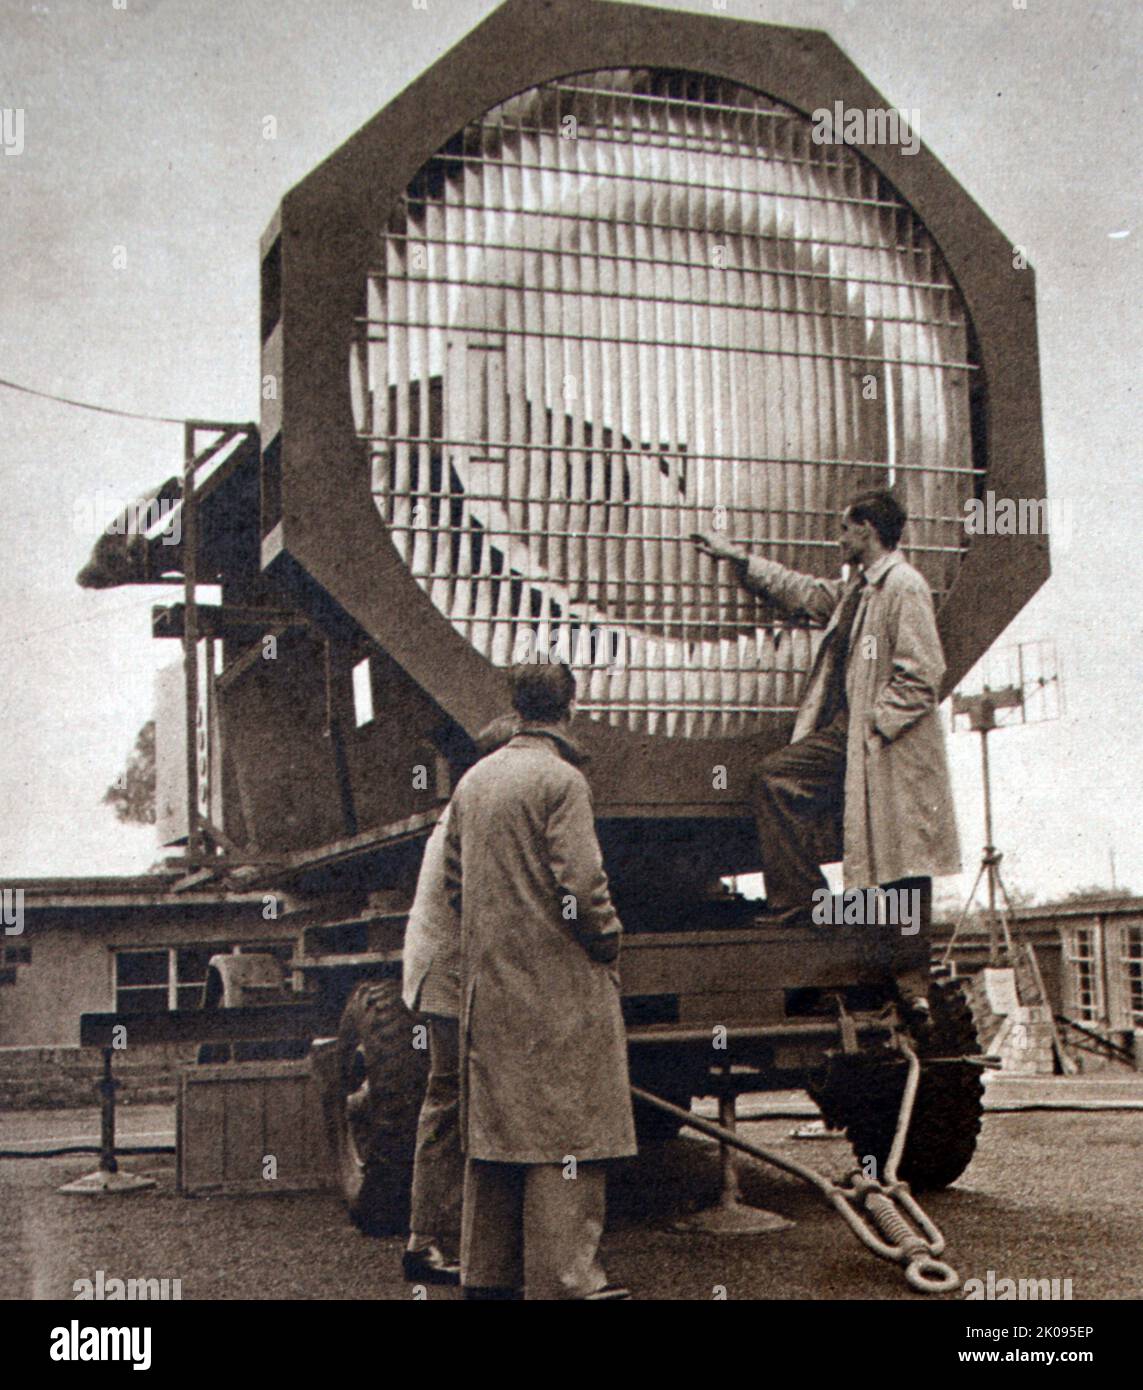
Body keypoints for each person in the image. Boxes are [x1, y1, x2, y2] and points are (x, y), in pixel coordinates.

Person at [693, 489, 961, 1005]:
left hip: (881, 741)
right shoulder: (861, 589)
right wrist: (740, 560)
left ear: (866, 530)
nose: (839, 539)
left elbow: (923, 675)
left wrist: (874, 728)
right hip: (856, 734)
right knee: (783, 783)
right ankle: (810, 905)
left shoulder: (904, 586)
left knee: (901, 858)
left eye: (844, 529)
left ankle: (907, 981)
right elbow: (808, 594)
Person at [444, 662, 636, 1301]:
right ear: (569, 709)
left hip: (489, 989)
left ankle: (487, 1274)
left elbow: (453, 884)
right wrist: (606, 941)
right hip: (556, 989)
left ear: (517, 709)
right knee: (566, 1131)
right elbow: (581, 886)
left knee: (497, 1133)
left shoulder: (473, 782)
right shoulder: (562, 781)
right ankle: (567, 1281)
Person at [401, 715, 520, 1286]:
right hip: (449, 972)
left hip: (440, 968)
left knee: (450, 1099)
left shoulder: (464, 809)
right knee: (452, 1100)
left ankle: (438, 1236)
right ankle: (431, 1239)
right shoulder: (476, 815)